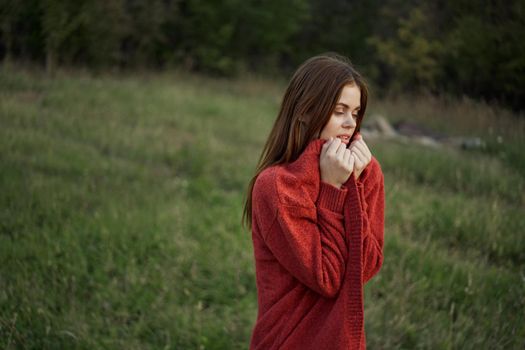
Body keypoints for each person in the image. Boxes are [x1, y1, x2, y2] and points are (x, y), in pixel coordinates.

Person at [243, 53, 385, 349]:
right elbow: (329, 278)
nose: (350, 124)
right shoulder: (276, 186)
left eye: (356, 113)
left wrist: (355, 185)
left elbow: (367, 266)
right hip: (288, 340)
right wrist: (333, 188)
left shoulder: (366, 171)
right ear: (306, 111)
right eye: (339, 111)